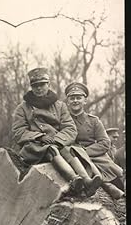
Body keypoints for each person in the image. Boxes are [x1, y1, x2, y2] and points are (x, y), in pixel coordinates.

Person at [12, 67, 102, 196]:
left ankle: (87, 180)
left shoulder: (59, 105)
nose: (39, 88)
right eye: (35, 85)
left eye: (42, 84)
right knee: (51, 150)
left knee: (67, 149)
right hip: (34, 147)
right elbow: (18, 131)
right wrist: (39, 137)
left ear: (48, 84)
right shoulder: (22, 108)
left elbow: (70, 128)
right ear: (31, 87)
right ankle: (74, 179)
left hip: (58, 142)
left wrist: (58, 140)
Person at [65, 82, 124, 199]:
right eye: (72, 98)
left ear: (85, 101)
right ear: (68, 101)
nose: (75, 101)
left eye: (79, 98)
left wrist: (84, 152)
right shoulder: (63, 120)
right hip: (72, 157)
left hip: (96, 157)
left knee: (118, 183)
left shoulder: (94, 121)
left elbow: (105, 143)